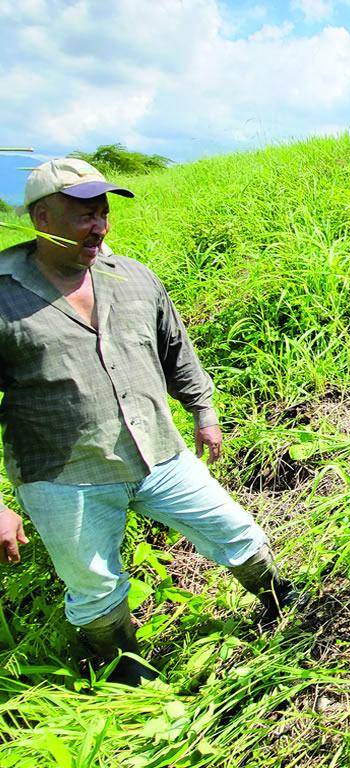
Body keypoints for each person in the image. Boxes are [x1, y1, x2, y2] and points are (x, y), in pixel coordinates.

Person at [0, 158, 300, 686]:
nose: (100, 226)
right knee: (95, 588)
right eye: (84, 215)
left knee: (237, 532)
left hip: (159, 453)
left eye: (103, 212)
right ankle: (128, 683)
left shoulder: (132, 278)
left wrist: (203, 410)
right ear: (42, 218)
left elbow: (174, 348)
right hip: (63, 477)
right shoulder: (3, 296)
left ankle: (293, 613)